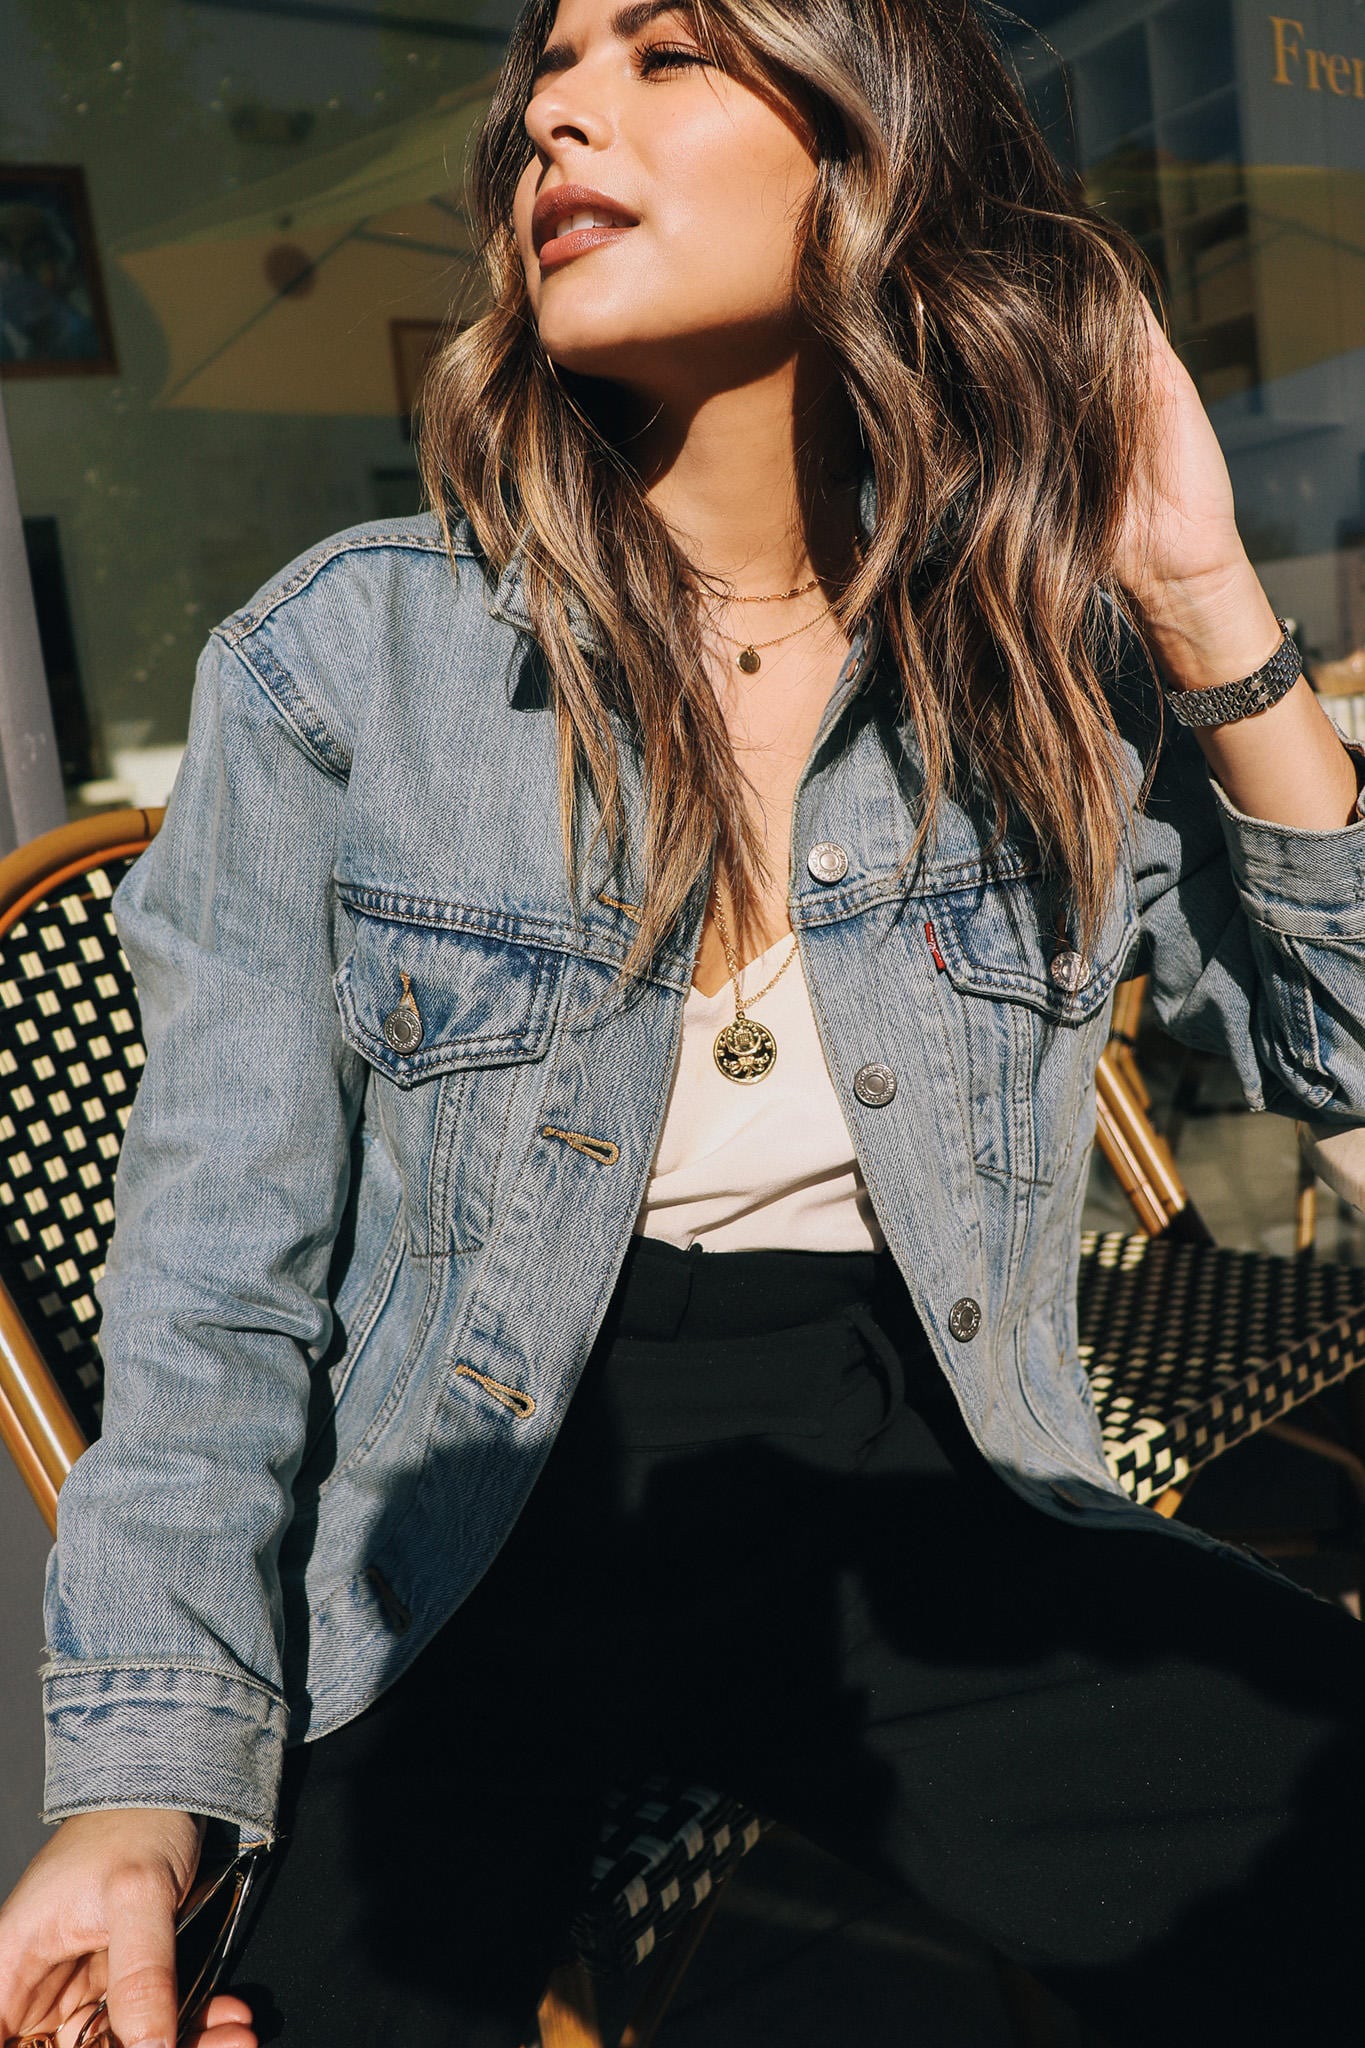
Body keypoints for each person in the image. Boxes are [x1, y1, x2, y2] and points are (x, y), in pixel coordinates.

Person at [4, 2, 1365, 2044]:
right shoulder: (337, 666)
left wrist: (1197, 594)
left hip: (918, 1461)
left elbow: (1335, 1076)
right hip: (456, 1504)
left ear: (868, 157)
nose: (556, 105)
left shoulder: (1035, 658)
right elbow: (213, 1296)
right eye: (551, 65)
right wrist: (130, 1784)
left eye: (663, 55)